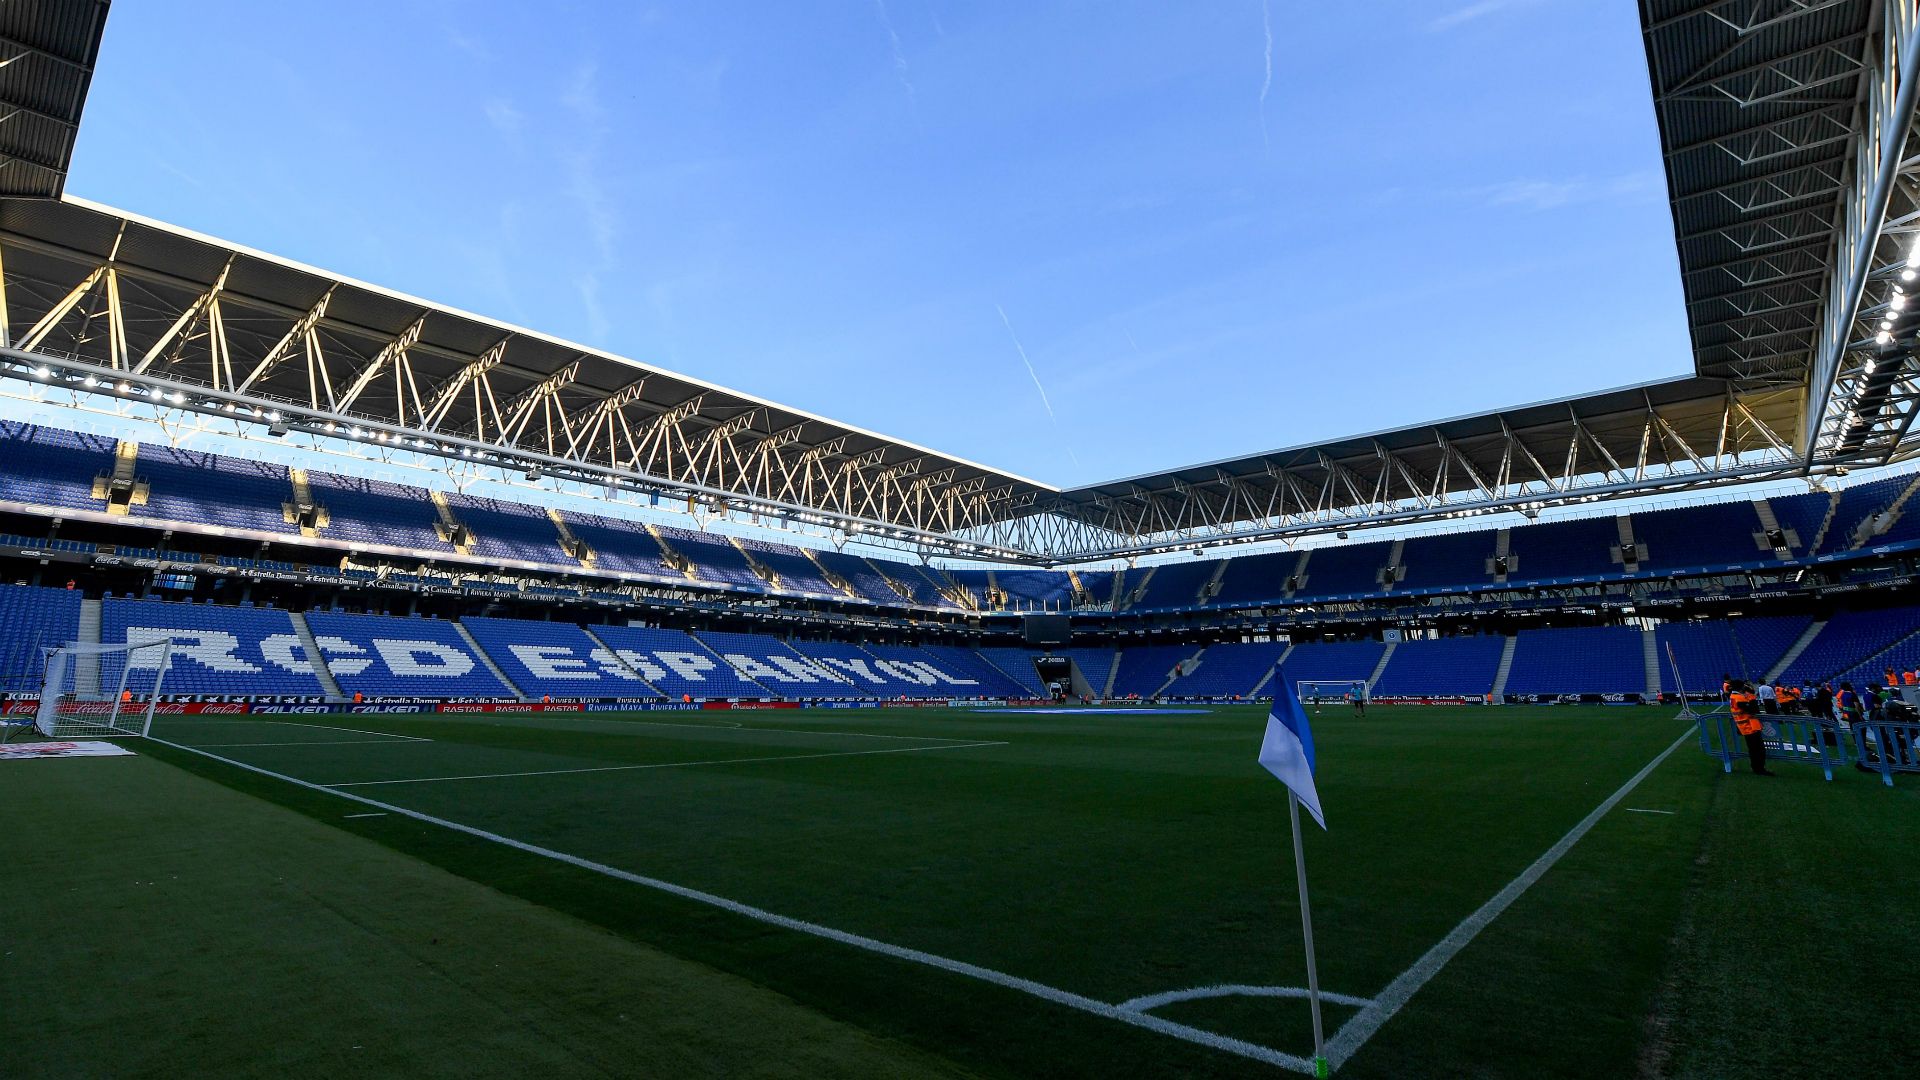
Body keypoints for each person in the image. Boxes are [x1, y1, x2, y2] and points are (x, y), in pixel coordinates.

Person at [1729, 681, 1772, 777]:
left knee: (1754, 749)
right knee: (1758, 750)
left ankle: (1757, 768)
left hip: (1746, 726)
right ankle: (1759, 769)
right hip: (1749, 727)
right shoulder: (1739, 698)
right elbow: (1754, 710)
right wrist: (1752, 696)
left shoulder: (1734, 697)